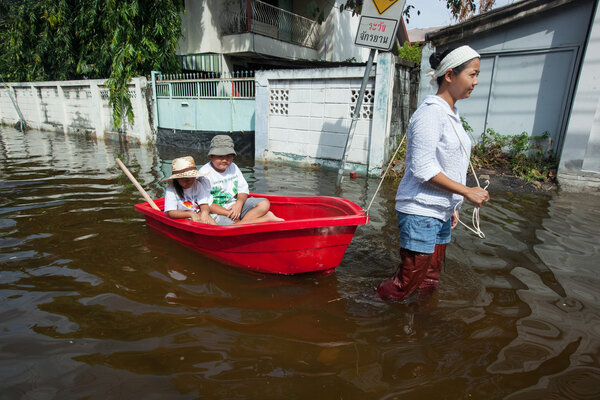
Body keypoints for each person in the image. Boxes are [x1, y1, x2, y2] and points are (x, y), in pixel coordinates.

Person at [377, 45, 490, 302]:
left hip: (439, 209)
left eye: (477, 75)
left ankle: (420, 323)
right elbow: (422, 168)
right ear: (449, 75)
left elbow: (448, 164)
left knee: (430, 279)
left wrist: (453, 205)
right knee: (406, 282)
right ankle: (363, 308)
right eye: (472, 75)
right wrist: (466, 191)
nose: (476, 81)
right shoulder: (430, 113)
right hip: (420, 209)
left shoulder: (452, 115)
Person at [200, 135, 283, 224]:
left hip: (235, 205)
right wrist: (228, 213)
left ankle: (242, 222)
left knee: (264, 203)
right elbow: (205, 203)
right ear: (211, 156)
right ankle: (265, 219)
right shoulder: (204, 173)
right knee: (230, 226)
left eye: (228, 156)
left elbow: (243, 189)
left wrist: (238, 205)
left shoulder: (233, 167)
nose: (224, 160)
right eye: (220, 156)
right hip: (217, 212)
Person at [163, 156, 221, 225]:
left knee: (209, 219)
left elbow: (204, 204)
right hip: (181, 217)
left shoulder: (197, 184)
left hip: (197, 212)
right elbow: (171, 213)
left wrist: (204, 212)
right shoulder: (171, 189)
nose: (189, 181)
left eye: (191, 178)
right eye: (184, 179)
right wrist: (190, 214)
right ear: (177, 179)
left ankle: (217, 232)